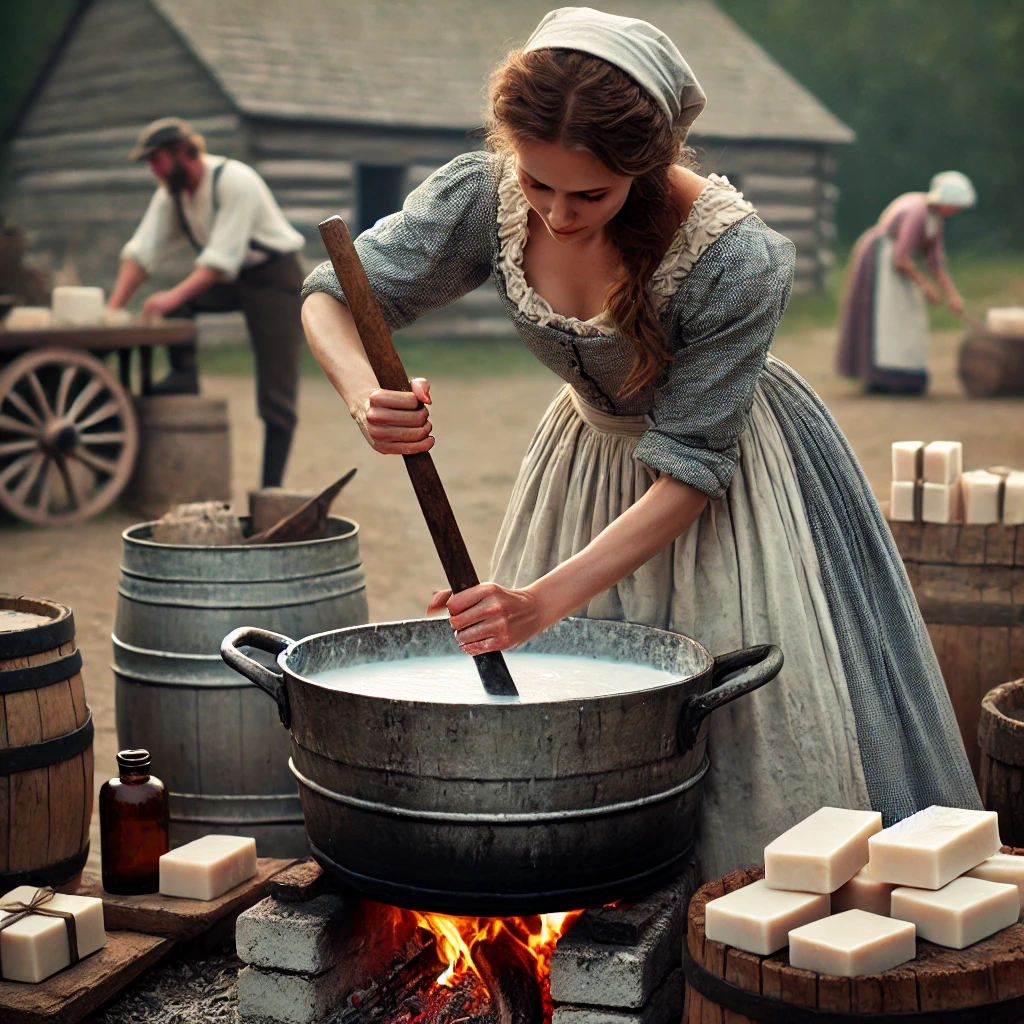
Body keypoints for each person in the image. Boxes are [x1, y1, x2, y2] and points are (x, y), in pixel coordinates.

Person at [301, 8, 979, 879]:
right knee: (573, 742)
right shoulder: (486, 195)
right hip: (582, 460)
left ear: (647, 164)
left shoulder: (734, 258)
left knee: (734, 730)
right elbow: (332, 293)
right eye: (539, 185)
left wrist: (540, 603)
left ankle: (733, 938)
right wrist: (366, 396)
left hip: (734, 481)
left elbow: (690, 474)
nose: (557, 213)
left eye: (589, 195)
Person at [108, 117, 307, 488]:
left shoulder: (235, 181)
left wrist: (169, 297)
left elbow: (219, 262)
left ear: (184, 152)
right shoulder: (173, 193)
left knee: (276, 393)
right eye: (149, 163)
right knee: (175, 307)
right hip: (233, 280)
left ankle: (270, 490)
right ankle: (185, 376)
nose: (154, 170)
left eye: (157, 160)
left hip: (275, 280)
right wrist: (111, 311)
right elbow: (141, 252)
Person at [837, 171, 976, 395]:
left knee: (908, 317)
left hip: (900, 264)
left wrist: (952, 295)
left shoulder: (935, 219)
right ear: (947, 201)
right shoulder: (917, 211)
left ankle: (907, 375)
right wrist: (925, 285)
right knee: (887, 319)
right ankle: (883, 377)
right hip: (881, 260)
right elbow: (900, 258)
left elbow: (935, 261)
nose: (957, 211)